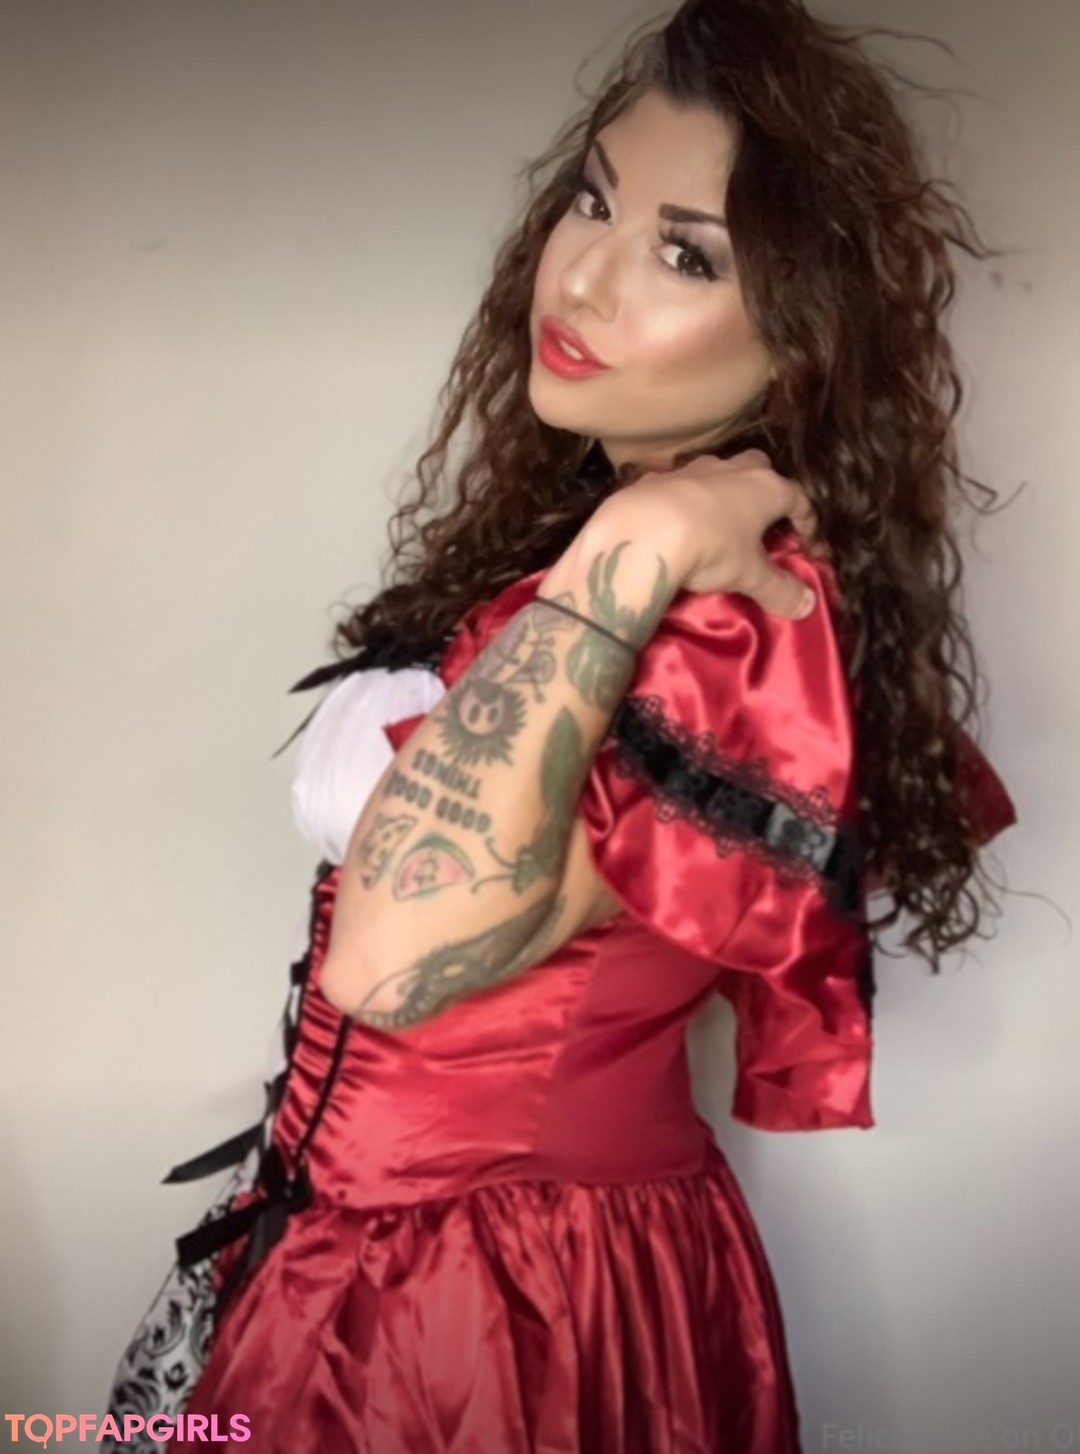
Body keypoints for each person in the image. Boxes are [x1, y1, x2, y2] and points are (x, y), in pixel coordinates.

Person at [104, 0, 1018, 1449]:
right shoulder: (582, 540)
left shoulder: (731, 618)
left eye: (684, 254)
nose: (583, 274)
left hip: (502, 1309)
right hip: (349, 1248)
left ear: (803, 342)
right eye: (592, 201)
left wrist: (636, 552)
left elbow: (390, 965)